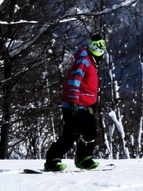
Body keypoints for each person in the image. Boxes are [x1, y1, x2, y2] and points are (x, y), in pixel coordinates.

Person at [44, 34, 107, 171]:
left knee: (90, 133)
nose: (102, 57)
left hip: (86, 106)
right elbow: (74, 80)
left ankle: (83, 158)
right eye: (101, 54)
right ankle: (52, 159)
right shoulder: (84, 61)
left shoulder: (91, 62)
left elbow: (88, 87)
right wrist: (73, 101)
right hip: (75, 105)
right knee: (71, 134)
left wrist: (92, 104)